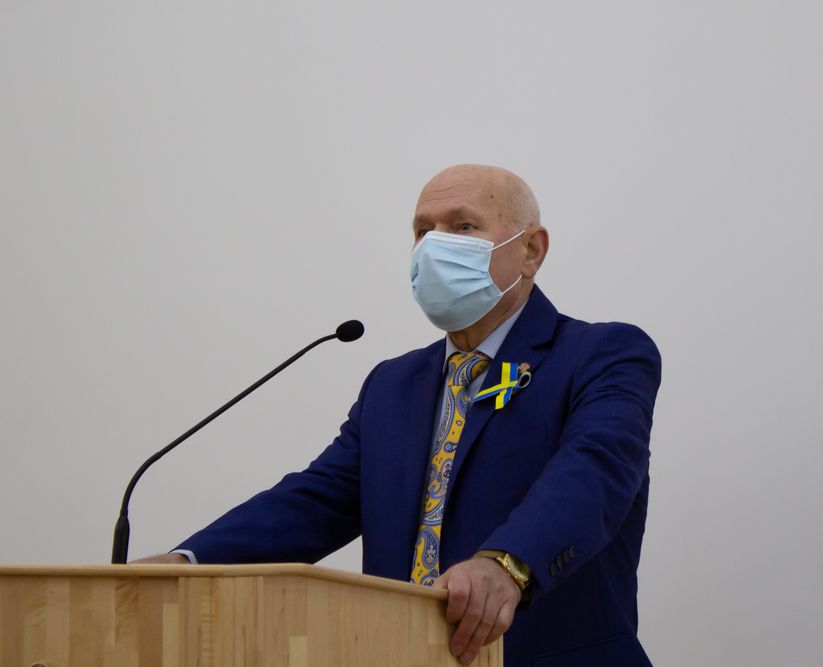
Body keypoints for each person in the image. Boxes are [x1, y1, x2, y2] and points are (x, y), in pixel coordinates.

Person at [135, 164, 661, 666]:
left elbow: (594, 470)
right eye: (422, 231)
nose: (434, 246)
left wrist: (506, 563)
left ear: (531, 249)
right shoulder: (392, 385)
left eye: (463, 226)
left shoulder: (603, 354)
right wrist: (188, 564)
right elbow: (315, 501)